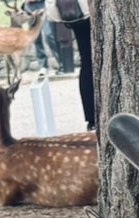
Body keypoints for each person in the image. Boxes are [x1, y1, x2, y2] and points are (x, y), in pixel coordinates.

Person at [45, 0, 94, 129]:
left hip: (74, 14)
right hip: (85, 12)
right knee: (88, 61)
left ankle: (91, 117)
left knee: (87, 61)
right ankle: (92, 116)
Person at [19, 0, 62, 76]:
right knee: (36, 38)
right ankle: (43, 66)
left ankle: (61, 63)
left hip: (43, 5)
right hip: (29, 7)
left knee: (49, 35)